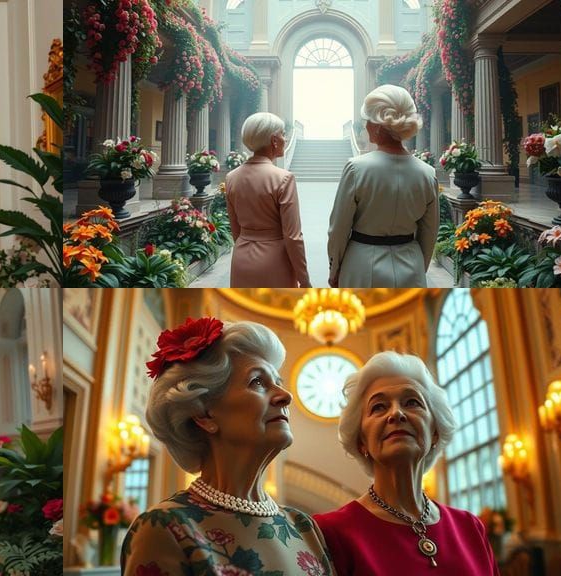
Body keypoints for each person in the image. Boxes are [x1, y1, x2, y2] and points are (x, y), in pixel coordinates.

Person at [121, 318, 333, 575]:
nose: (285, 396)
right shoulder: (165, 528)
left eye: (278, 382)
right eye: (257, 382)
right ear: (204, 415)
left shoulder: (304, 526)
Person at [313, 351, 499, 575]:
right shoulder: (330, 533)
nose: (396, 413)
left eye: (412, 402)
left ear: (435, 431)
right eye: (378, 407)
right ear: (361, 441)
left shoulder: (470, 528)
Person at [327, 84, 439, 288]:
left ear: (378, 125)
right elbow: (429, 232)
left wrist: (334, 269)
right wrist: (418, 267)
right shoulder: (427, 174)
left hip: (361, 265)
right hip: (411, 264)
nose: (365, 126)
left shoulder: (356, 168)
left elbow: (338, 229)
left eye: (367, 121)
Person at [224, 112, 310, 287]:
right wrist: (304, 280)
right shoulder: (283, 178)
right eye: (283, 134)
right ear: (274, 140)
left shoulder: (231, 177)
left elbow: (235, 228)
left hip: (241, 257)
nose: (286, 138)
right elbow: (293, 237)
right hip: (275, 262)